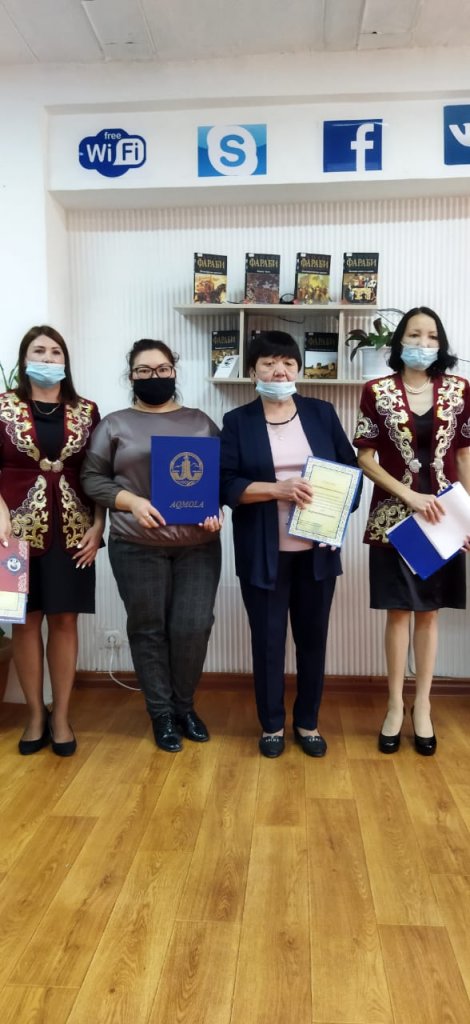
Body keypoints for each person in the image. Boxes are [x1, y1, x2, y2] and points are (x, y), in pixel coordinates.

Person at [220, 330, 360, 758]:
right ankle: (272, 725)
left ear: (298, 369)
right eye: (268, 363)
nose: (279, 371)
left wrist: (336, 514)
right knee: (268, 641)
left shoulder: (321, 413)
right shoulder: (237, 421)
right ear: (252, 372)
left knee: (313, 640)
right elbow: (226, 485)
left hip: (317, 553)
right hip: (262, 554)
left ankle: (307, 722)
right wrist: (276, 489)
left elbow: (350, 474)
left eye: (288, 363)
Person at [80, 338, 222, 753]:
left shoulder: (200, 422)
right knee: (148, 630)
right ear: (131, 377)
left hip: (198, 545)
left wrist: (215, 507)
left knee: (193, 627)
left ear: (174, 371)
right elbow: (92, 478)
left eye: (161, 369)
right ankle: (161, 714)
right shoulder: (114, 424)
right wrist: (132, 502)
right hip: (136, 544)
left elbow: (219, 477)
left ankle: (184, 707)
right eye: (143, 371)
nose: (153, 377)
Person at [353, 306, 470, 756]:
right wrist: (408, 495)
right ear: (399, 340)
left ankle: (423, 705)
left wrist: (468, 516)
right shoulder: (376, 391)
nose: (423, 343)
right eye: (415, 334)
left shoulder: (459, 390)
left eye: (432, 336)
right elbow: (365, 458)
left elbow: (463, 456)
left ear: (441, 344)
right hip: (394, 520)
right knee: (398, 612)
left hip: (443, 519)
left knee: (430, 613)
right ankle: (393, 706)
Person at [0, 325, 104, 756]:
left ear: (65, 361)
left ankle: (60, 716)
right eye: (38, 351)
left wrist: (99, 526)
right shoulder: (3, 406)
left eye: (55, 351)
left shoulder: (86, 410)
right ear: (24, 359)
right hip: (13, 534)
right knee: (25, 621)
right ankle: (34, 715)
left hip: (75, 531)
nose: (47, 358)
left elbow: (99, 472)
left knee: (64, 621)